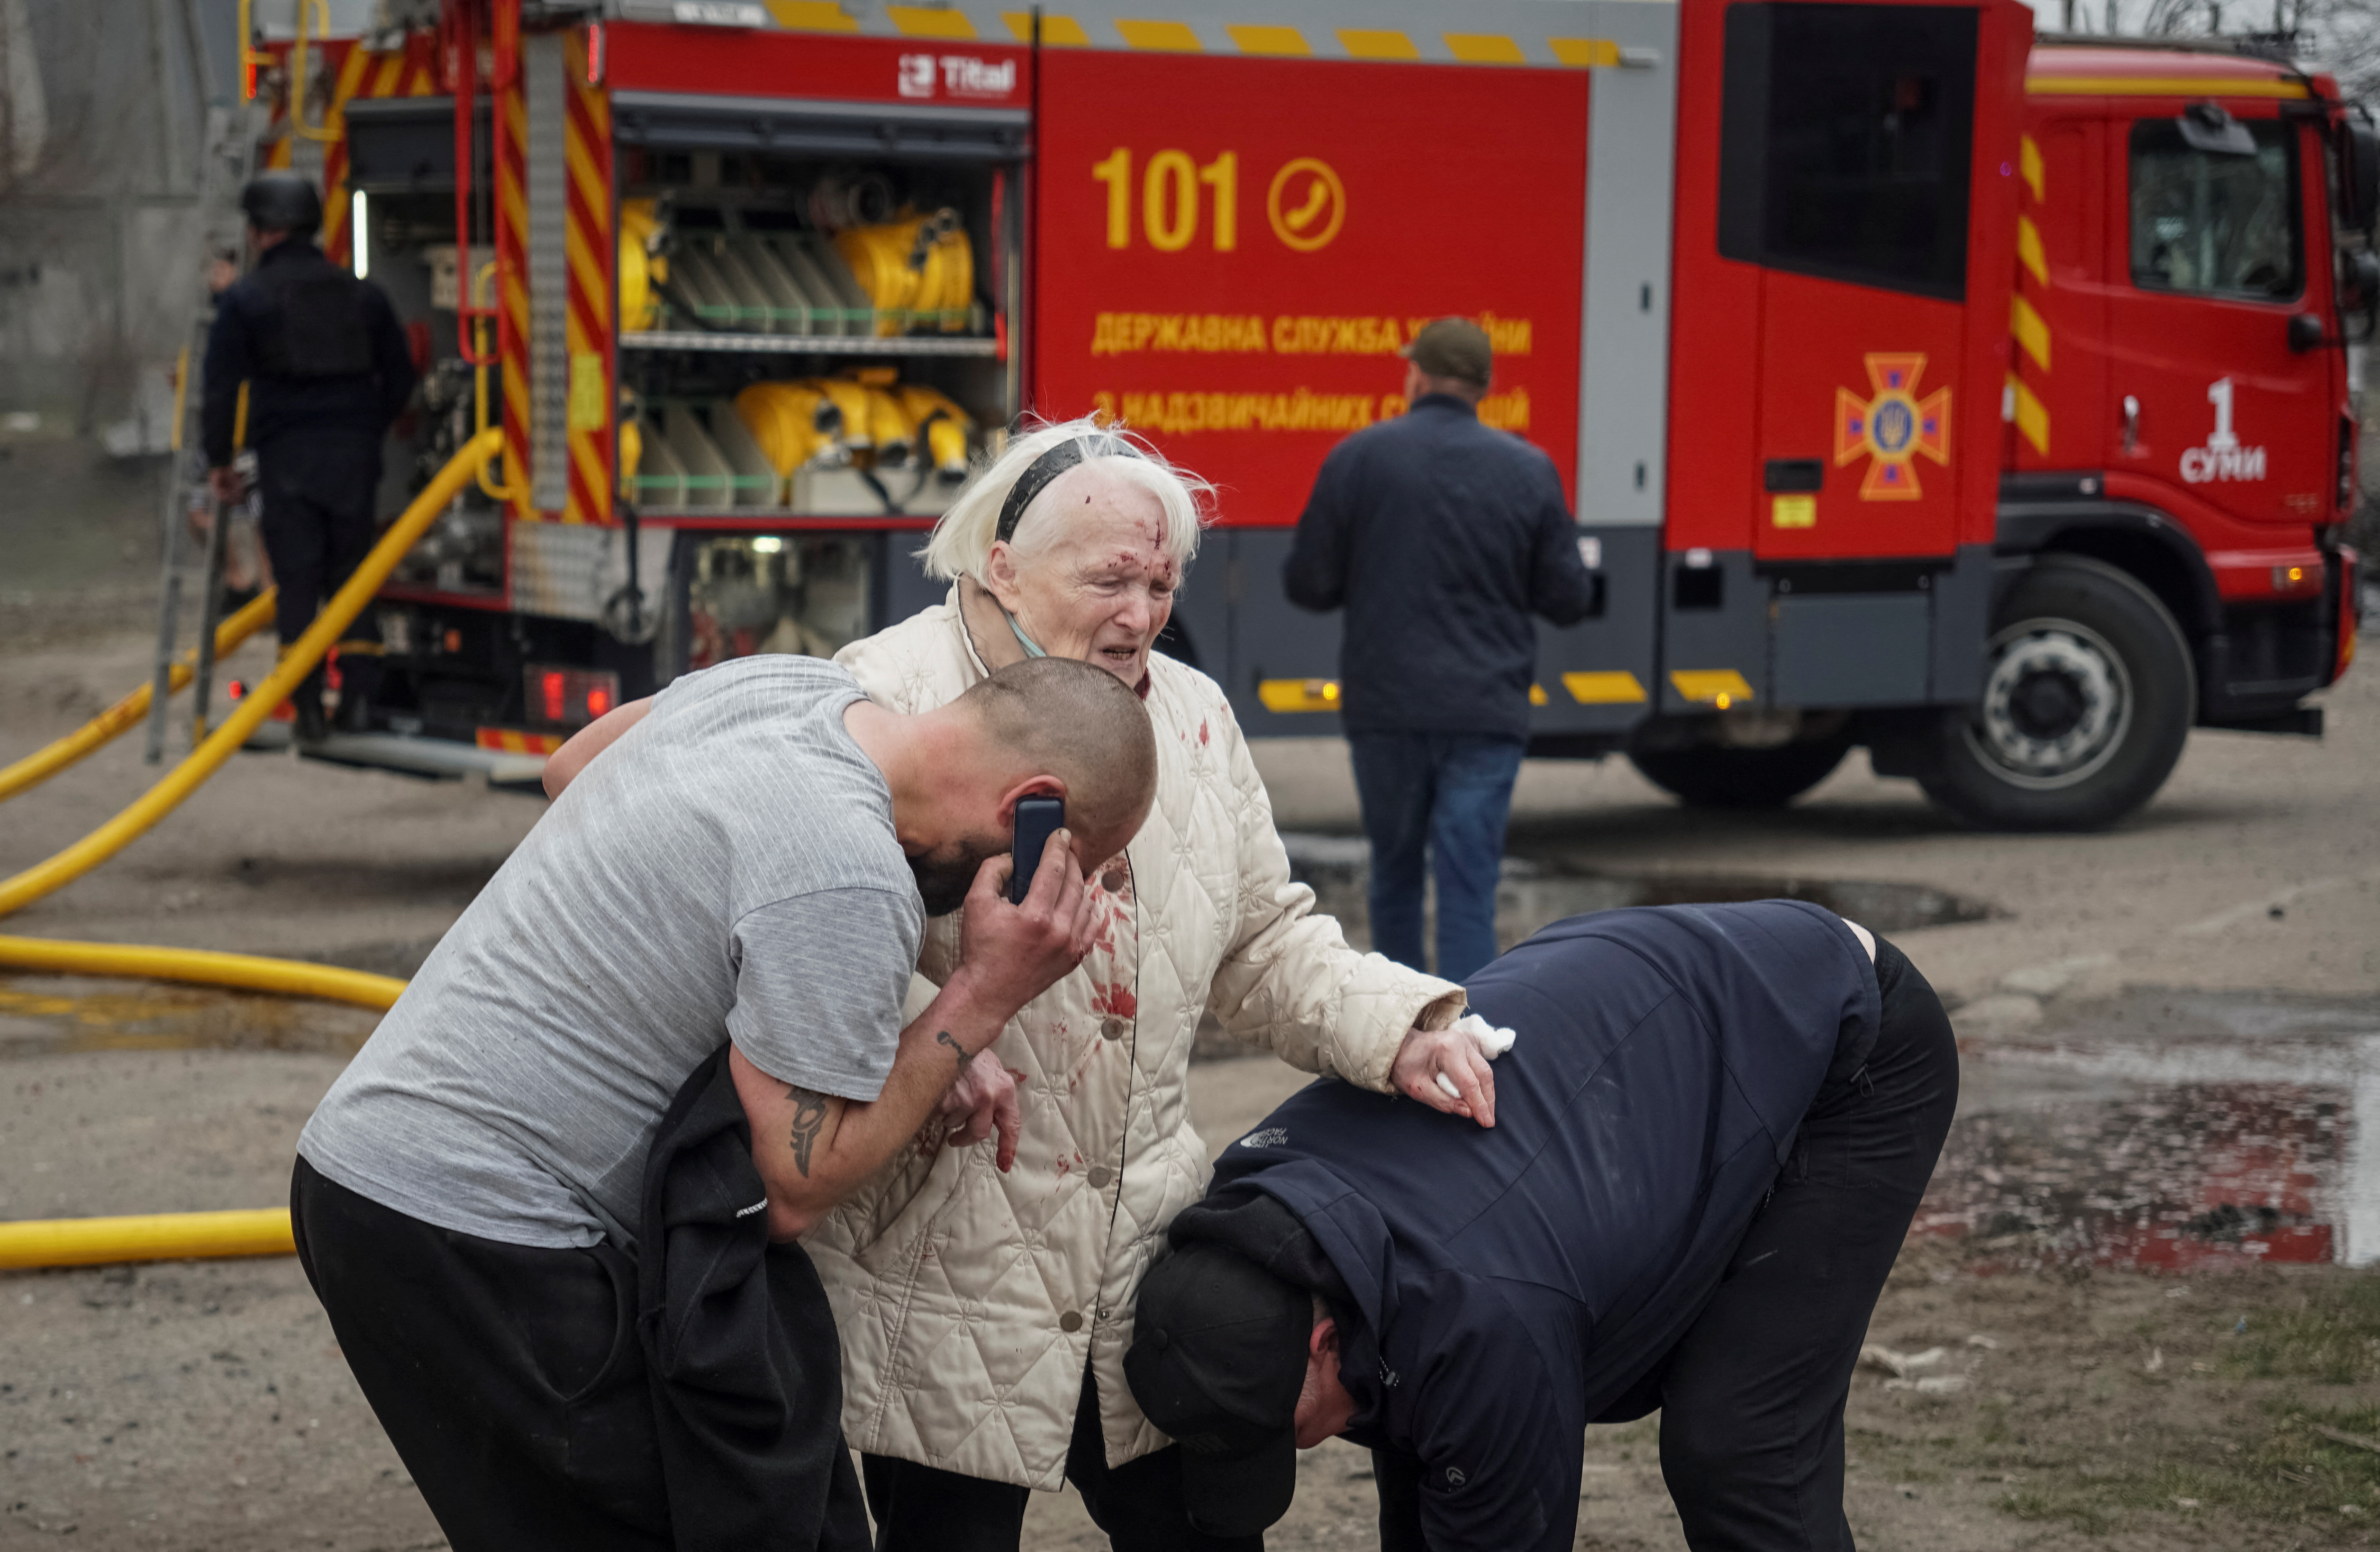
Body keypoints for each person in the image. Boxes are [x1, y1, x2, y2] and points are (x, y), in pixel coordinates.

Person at [291, 653, 1159, 1552]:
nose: (1040, 899)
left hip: (368, 1172)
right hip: (485, 1231)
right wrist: (981, 995)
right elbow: (791, 1187)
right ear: (1030, 813)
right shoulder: (849, 872)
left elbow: (571, 770)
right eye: (1056, 867)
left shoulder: (786, 687)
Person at [816, 418, 1494, 1552]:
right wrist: (929, 1028)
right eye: (1109, 579)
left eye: (1161, 582)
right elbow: (801, 934)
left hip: (1144, 1253)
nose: (1141, 614)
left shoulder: (1191, 712)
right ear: (1001, 566)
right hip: (942, 1251)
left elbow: (1264, 938)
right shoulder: (882, 693)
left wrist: (1402, 1028)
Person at [1126, 901, 1959, 1552]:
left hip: (1845, 1042)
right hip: (1641, 1015)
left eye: (1287, 1431)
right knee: (1424, 1401)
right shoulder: (1257, 1215)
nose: (1301, 1453)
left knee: (1738, 1445)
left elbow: (1482, 1466)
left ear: (1319, 1346)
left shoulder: (1484, 1314)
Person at [1283, 316, 1596, 983]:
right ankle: (1468, 1047)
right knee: (1466, 886)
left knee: (1394, 876)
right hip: (1486, 713)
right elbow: (1567, 597)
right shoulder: (1529, 469)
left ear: (1417, 376)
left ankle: (1396, 1043)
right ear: (1482, 386)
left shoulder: (1358, 457)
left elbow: (1307, 582)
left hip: (1386, 710)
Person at [201, 170, 417, 741]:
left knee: (298, 581)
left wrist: (219, 461)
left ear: (258, 232)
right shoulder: (363, 294)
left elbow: (220, 387)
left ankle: (310, 710)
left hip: (287, 462)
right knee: (353, 578)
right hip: (354, 459)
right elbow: (400, 374)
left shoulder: (246, 300)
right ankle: (360, 704)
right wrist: (369, 427)